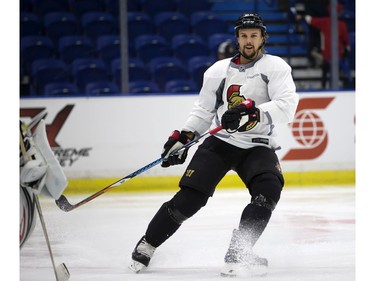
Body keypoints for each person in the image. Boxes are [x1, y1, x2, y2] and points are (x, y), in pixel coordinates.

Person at [128, 13, 299, 277]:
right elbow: (203, 111)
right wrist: (183, 137)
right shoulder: (218, 71)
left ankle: (239, 251)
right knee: (189, 199)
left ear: (263, 38)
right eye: (244, 36)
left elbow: (287, 107)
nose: (249, 40)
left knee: (268, 189)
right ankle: (147, 245)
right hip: (221, 142)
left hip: (258, 144)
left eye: (254, 35)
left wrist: (252, 113)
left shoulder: (276, 67)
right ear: (237, 39)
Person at [294, 3, 351, 88]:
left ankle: (324, 86)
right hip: (337, 54)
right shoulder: (341, 24)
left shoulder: (325, 22)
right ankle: (340, 85)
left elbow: (310, 19)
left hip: (327, 54)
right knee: (335, 69)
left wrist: (302, 16)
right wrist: (347, 48)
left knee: (326, 70)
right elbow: (346, 41)